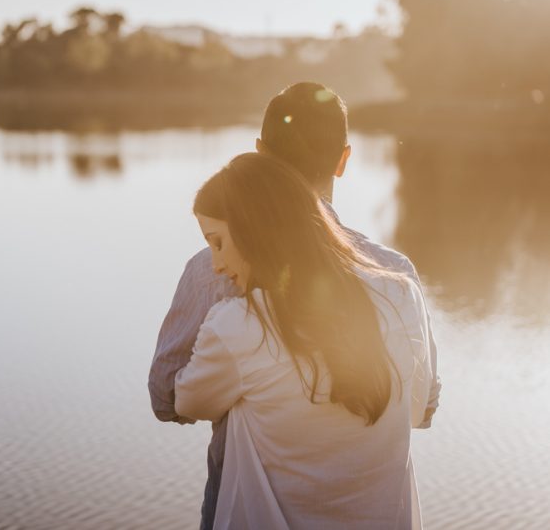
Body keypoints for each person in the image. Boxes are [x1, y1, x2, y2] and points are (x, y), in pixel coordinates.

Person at [147, 82, 441, 529]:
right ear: (344, 160)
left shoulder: (213, 268)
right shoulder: (394, 276)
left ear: (261, 154)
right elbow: (423, 407)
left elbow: (167, 397)